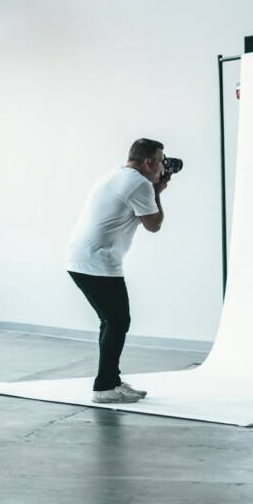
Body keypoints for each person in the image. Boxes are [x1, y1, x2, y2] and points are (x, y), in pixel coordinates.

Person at [66, 138, 170, 404]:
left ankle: (110, 381)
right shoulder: (140, 184)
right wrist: (158, 191)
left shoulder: (117, 174)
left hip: (84, 258)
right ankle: (104, 388)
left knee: (111, 321)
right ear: (148, 162)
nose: (161, 167)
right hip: (97, 262)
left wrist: (154, 187)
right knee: (118, 321)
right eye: (160, 162)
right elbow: (154, 224)